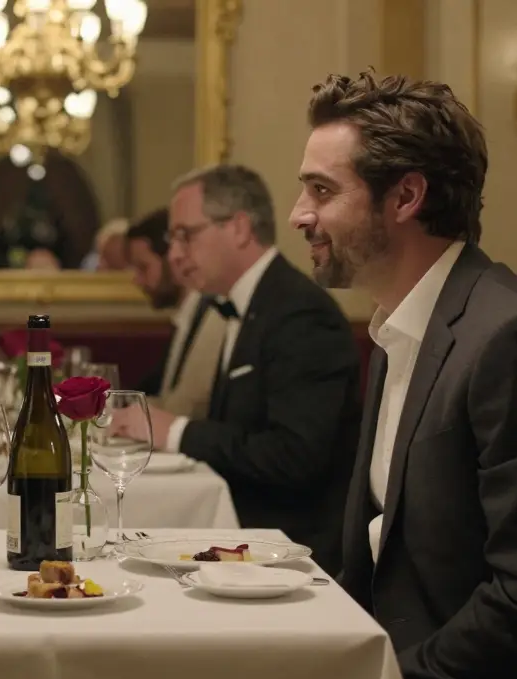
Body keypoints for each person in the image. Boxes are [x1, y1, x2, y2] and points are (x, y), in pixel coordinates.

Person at [290, 70, 517, 679]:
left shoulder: (516, 339)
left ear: (406, 196)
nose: (300, 214)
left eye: (321, 190)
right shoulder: (402, 325)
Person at [113, 164, 361, 574]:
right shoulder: (243, 304)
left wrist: (174, 431)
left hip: (292, 551)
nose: (174, 254)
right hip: (246, 535)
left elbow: (294, 456)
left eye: (184, 235)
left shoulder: (299, 313)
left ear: (239, 228)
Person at [126, 208, 224, 418]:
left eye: (143, 267)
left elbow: (184, 409)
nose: (136, 280)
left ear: (173, 259)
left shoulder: (214, 315)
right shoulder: (186, 316)